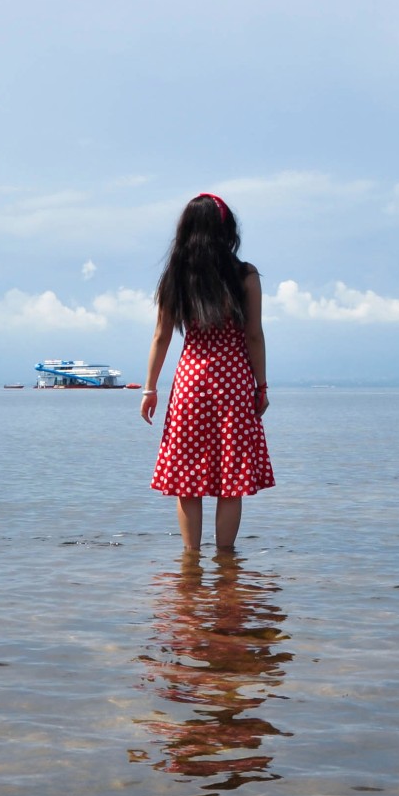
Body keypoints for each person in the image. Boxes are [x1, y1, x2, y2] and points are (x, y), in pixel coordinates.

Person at [140, 192, 274, 554]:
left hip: (191, 382)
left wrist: (149, 388)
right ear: (226, 229)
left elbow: (161, 336)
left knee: (188, 478)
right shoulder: (244, 276)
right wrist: (261, 386)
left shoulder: (176, 278)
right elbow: (253, 335)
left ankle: (190, 565)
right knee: (231, 477)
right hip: (233, 382)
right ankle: (227, 566)